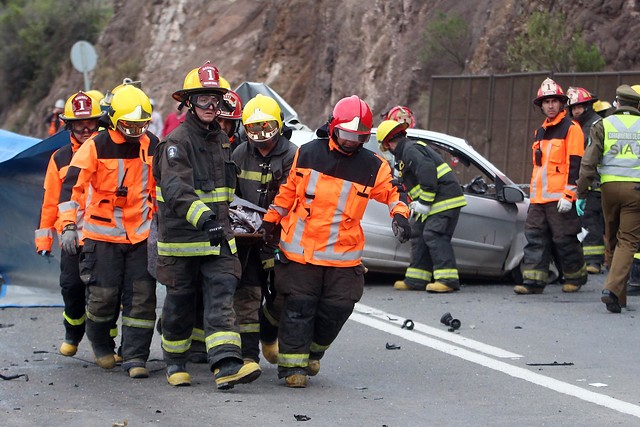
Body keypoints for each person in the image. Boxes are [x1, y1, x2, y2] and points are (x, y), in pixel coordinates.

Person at [260, 95, 411, 388]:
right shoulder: (307, 154)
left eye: (358, 137)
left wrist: (400, 215)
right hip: (301, 251)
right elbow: (287, 193)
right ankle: (293, 369)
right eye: (345, 135)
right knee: (299, 306)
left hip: (343, 255)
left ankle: (315, 351)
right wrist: (270, 221)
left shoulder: (373, 166)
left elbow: (396, 192)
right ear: (333, 128)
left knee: (339, 306)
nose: (350, 142)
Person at [153, 61, 261, 389]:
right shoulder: (176, 141)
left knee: (222, 294)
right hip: (182, 240)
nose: (211, 107)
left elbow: (224, 192)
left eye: (216, 100)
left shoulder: (221, 141)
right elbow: (176, 190)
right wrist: (206, 219)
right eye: (203, 100)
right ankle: (174, 362)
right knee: (180, 302)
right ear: (189, 103)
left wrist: (240, 220)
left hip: (218, 237)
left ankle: (226, 364)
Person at [58, 84, 158, 378]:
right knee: (102, 297)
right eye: (130, 125)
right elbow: (71, 188)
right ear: (114, 120)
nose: (136, 131)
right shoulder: (95, 147)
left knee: (141, 297)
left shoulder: (152, 145)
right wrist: (67, 226)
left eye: (141, 125)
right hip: (102, 236)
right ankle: (101, 343)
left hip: (140, 235)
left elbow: (161, 186)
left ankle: (135, 356)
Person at [35, 91, 122, 359]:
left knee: (107, 292)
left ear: (99, 122)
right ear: (69, 126)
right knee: (71, 287)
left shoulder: (110, 150)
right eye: (79, 124)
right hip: (72, 236)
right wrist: (45, 240)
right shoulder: (60, 158)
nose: (85, 129)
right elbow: (50, 202)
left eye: (90, 123)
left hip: (105, 235)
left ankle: (107, 343)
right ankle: (73, 332)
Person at [232, 93, 298, 365]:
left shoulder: (294, 156)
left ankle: (269, 333)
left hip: (281, 238)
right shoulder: (238, 154)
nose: (260, 135)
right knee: (247, 296)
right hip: (248, 241)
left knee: (283, 295)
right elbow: (231, 196)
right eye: (253, 129)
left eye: (266, 127)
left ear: (279, 126)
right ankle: (248, 357)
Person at [514, 77, 587, 295]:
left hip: (560, 198)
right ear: (541, 105)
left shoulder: (571, 128)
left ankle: (575, 277)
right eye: (546, 102)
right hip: (539, 200)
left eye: (554, 101)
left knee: (565, 239)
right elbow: (539, 168)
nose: (550, 105)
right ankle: (533, 282)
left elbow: (576, 164)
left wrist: (569, 195)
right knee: (535, 239)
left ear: (562, 103)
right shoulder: (540, 131)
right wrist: (533, 196)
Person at [376, 119, 467, 293]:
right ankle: (416, 279)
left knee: (434, 234)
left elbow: (427, 173)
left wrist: (424, 203)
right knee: (418, 234)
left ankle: (448, 280)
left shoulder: (411, 150)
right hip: (433, 201)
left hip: (444, 200)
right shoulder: (406, 153)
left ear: (387, 143)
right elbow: (414, 181)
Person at [576, 84, 640, 313]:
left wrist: (581, 191)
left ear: (618, 103)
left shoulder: (603, 124)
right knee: (628, 241)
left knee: (611, 239)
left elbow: (588, 162)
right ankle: (612, 290)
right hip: (636, 191)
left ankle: (619, 298)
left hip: (608, 190)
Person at [566, 87, 605, 274]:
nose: (576, 111)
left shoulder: (592, 127)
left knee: (592, 222)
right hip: (595, 182)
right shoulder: (582, 126)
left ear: (588, 106)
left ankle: (593, 261)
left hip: (594, 183)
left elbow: (586, 159)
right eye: (573, 108)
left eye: (580, 107)